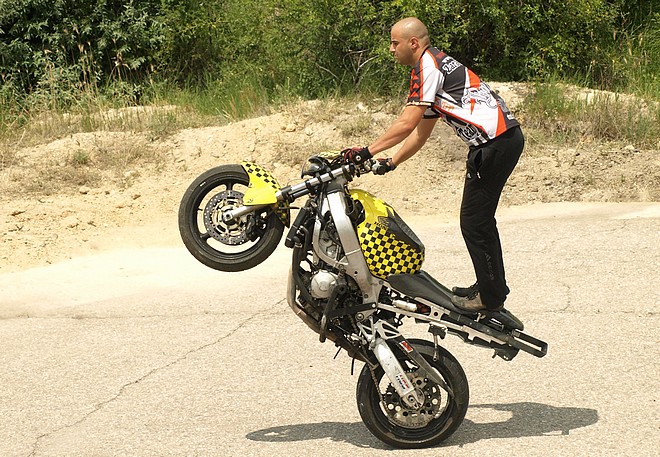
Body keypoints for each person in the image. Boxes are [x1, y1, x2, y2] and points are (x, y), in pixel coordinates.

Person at [342, 17, 524, 313]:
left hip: (494, 145)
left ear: (413, 43)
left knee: (474, 223)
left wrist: (365, 151)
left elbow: (406, 123)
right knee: (480, 221)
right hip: (501, 142)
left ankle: (491, 297)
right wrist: (392, 161)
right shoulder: (436, 65)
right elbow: (420, 133)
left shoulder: (427, 67)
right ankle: (491, 286)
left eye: (395, 43)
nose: (391, 49)